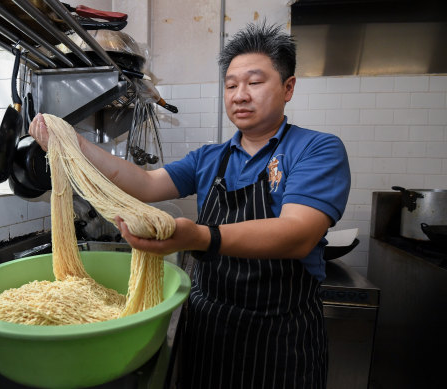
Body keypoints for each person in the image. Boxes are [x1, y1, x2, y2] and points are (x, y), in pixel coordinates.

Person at [29, 21, 350, 389]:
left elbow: (297, 235)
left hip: (280, 338)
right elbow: (146, 183)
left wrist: (198, 236)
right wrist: (74, 144)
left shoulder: (316, 150)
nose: (240, 95)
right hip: (208, 330)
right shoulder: (210, 158)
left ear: (288, 87)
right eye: (231, 85)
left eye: (255, 83)